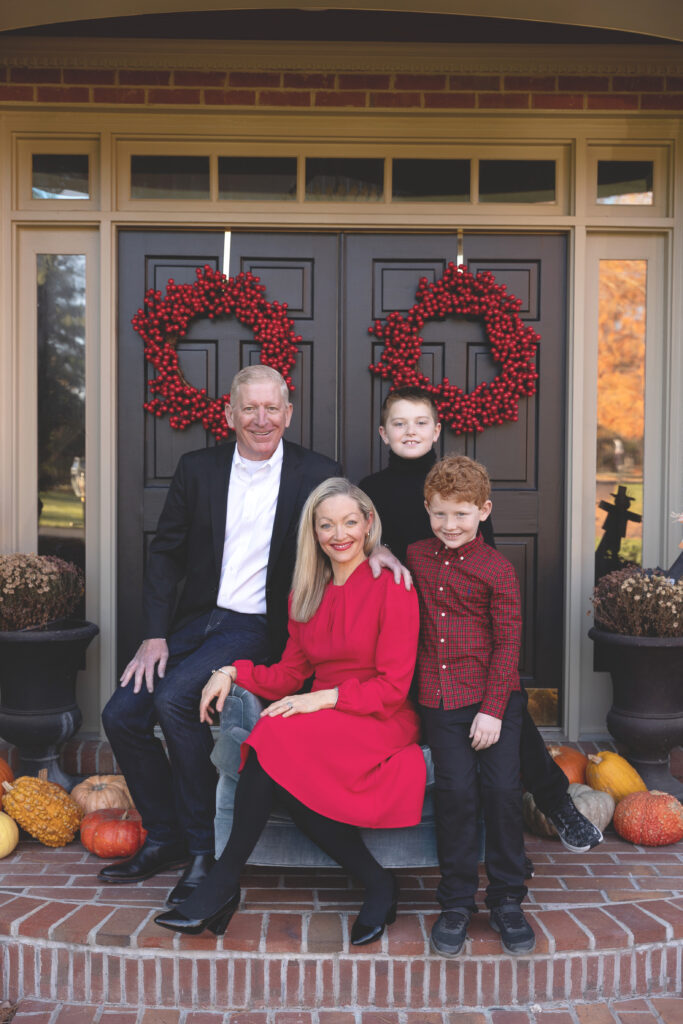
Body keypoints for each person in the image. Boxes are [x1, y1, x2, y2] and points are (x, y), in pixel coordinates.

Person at [99, 366, 341, 903]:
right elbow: (165, 552)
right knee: (120, 714)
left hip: (258, 627)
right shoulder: (198, 469)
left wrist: (385, 551)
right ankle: (166, 836)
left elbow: (350, 528)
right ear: (229, 413)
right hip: (196, 620)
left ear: (288, 413)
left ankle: (204, 847)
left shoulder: (317, 473)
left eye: (271, 408)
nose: (261, 419)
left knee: (175, 698)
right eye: (249, 408)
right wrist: (156, 634)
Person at [154, 478, 426, 944]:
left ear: (368, 525)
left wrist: (322, 698)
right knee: (276, 747)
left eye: (349, 522)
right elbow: (285, 674)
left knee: (272, 736)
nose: (338, 535)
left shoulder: (393, 588)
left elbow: (394, 686)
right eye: (326, 525)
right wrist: (231, 670)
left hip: (378, 716)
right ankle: (377, 880)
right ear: (314, 532)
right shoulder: (306, 593)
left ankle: (221, 883)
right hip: (322, 719)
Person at [361, 388, 602, 861]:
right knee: (453, 739)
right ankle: (481, 840)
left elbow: (482, 558)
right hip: (411, 628)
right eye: (399, 423)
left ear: (436, 430)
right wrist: (377, 547)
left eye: (420, 422)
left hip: (466, 626)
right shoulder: (370, 488)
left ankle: (555, 801)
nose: (410, 431)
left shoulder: (460, 484)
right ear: (383, 433)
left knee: (507, 706)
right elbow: (352, 531)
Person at [406, 455, 535, 956]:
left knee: (502, 792)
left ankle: (506, 900)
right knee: (456, 796)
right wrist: (384, 558)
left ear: (484, 510)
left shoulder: (497, 569)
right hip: (439, 700)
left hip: (491, 700)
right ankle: (457, 902)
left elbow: (508, 644)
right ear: (427, 510)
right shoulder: (415, 556)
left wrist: (493, 709)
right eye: (440, 514)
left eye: (461, 514)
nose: (450, 525)